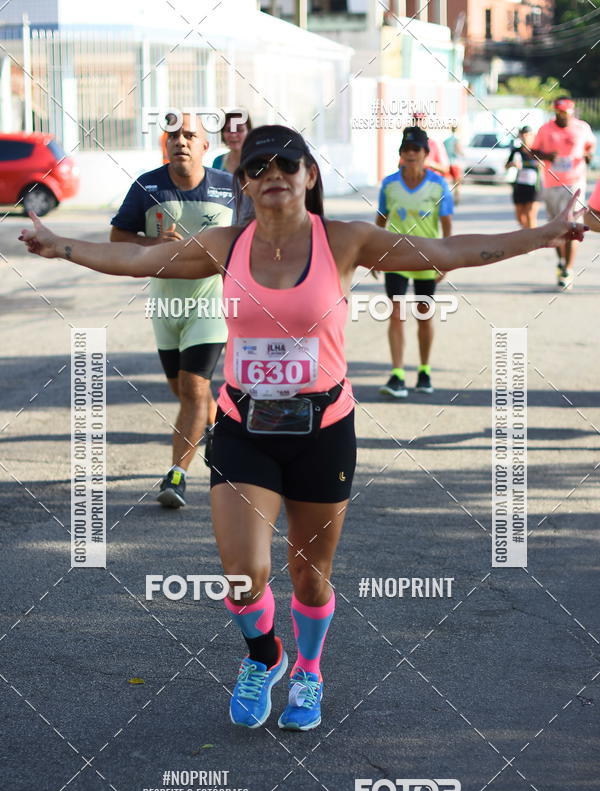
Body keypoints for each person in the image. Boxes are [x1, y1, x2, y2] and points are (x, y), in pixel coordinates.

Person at [19, 125, 587, 732]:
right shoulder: (223, 245)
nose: (274, 174)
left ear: (309, 176)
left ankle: (309, 670)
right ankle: (266, 657)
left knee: (308, 578)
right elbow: (138, 259)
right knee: (243, 573)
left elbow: (447, 253)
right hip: (244, 427)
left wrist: (548, 233)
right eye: (259, 166)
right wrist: (61, 246)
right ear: (244, 182)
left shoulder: (343, 241)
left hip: (324, 431)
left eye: (287, 164)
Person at [110, 113, 236, 508]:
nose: (181, 141)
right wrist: (154, 245)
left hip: (210, 305)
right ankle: (218, 429)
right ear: (165, 145)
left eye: (190, 136)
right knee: (183, 393)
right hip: (166, 306)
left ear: (204, 147)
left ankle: (176, 475)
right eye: (174, 136)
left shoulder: (230, 189)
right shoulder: (147, 186)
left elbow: (252, 239)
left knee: (195, 388)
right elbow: (118, 238)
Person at [376, 126, 454, 397]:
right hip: (396, 257)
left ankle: (424, 370)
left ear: (425, 153)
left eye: (416, 150)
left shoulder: (438, 185)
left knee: (424, 316)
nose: (411, 155)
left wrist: (446, 259)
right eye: (406, 150)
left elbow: (446, 225)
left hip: (427, 259)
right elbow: (380, 221)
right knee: (396, 316)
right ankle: (397, 374)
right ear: (400, 154)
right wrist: (376, 253)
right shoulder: (389, 184)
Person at [532, 97, 595, 289]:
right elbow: (533, 151)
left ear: (571, 111)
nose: (563, 115)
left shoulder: (582, 127)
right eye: (559, 112)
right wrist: (546, 156)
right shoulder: (545, 129)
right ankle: (561, 261)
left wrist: (587, 155)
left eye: (566, 112)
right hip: (551, 182)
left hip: (575, 182)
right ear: (555, 111)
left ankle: (568, 268)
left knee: (572, 226)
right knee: (556, 227)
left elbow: (590, 147)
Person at [505, 126, 540, 229]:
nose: (526, 137)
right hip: (519, 187)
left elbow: (547, 164)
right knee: (520, 218)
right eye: (523, 135)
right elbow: (506, 165)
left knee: (531, 216)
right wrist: (512, 164)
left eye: (528, 135)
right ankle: (526, 236)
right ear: (520, 136)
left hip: (534, 187)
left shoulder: (537, 152)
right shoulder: (516, 151)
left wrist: (541, 164)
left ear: (533, 136)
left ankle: (532, 241)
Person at [444, 124, 464, 205]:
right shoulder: (457, 140)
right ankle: (456, 199)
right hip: (455, 163)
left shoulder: (446, 140)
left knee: (447, 183)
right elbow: (458, 151)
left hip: (447, 163)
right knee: (457, 183)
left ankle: (446, 199)